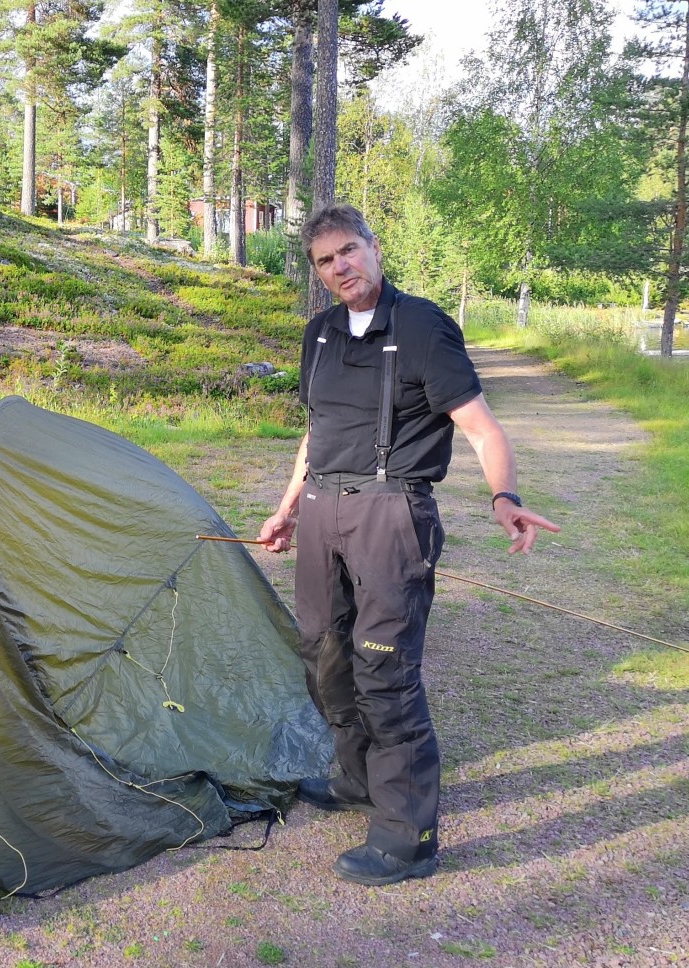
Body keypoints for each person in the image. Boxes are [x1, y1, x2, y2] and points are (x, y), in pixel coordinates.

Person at [258, 204, 560, 886]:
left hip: (393, 515)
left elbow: (482, 429)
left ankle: (407, 838)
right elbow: (317, 432)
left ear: (373, 247)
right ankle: (357, 779)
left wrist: (504, 499)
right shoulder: (320, 334)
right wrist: (286, 511)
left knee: (384, 673)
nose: (340, 267)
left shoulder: (423, 326)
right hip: (320, 510)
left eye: (348, 251)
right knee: (324, 655)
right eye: (325, 261)